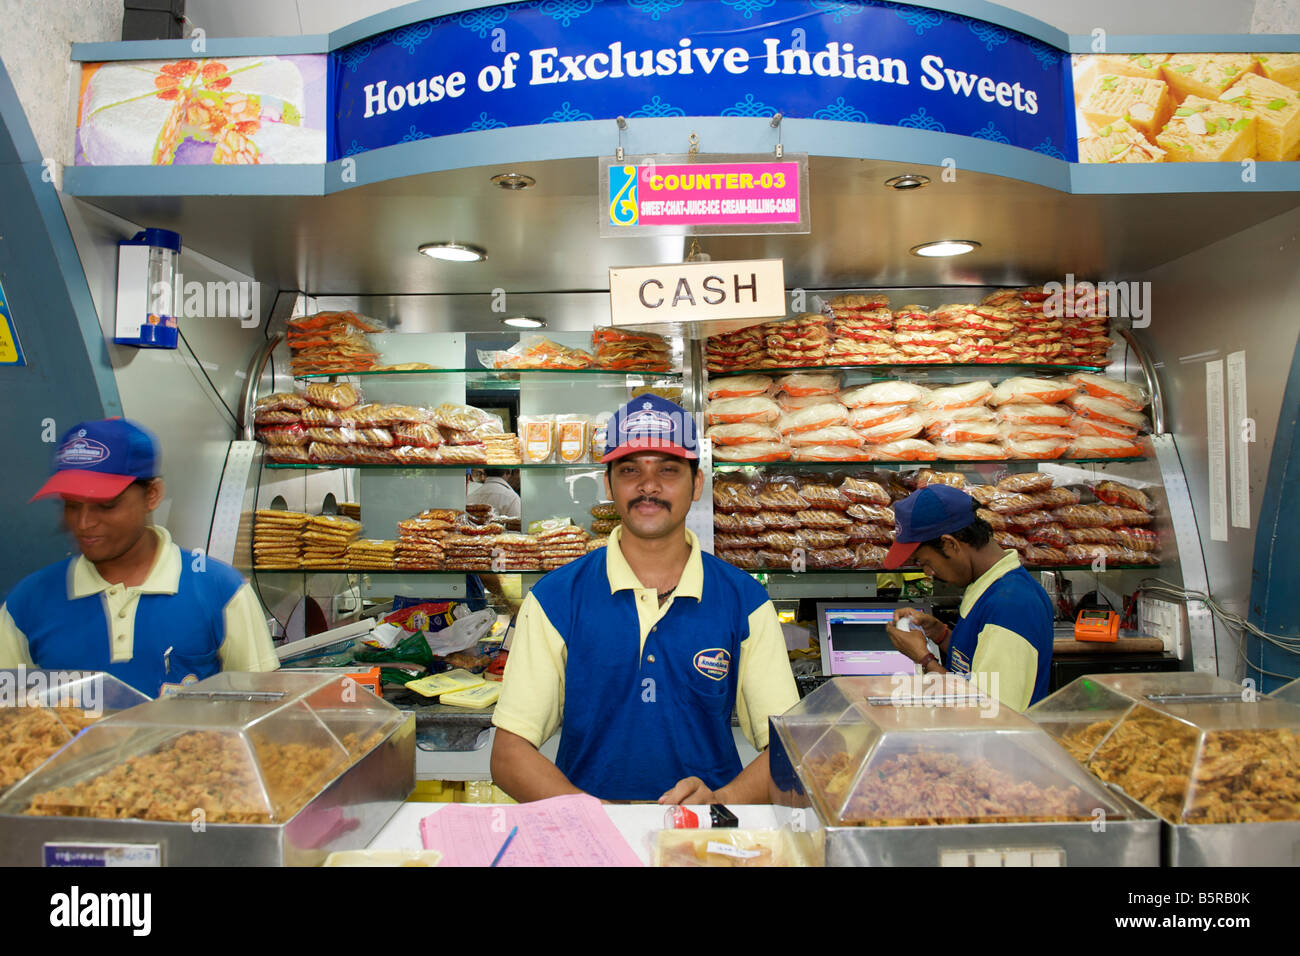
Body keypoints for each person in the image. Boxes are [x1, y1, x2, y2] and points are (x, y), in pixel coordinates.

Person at [490, 395, 798, 803]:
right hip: (589, 841)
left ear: (698, 483)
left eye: (668, 470)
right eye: (630, 469)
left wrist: (720, 803)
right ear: (608, 484)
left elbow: (788, 749)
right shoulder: (556, 598)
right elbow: (509, 755)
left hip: (708, 840)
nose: (648, 486)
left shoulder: (745, 600)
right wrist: (591, 819)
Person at [0, 419, 279, 697]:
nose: (83, 523)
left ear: (152, 495)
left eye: (105, 506)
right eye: (72, 506)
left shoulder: (222, 593)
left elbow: (260, 710)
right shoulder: (25, 606)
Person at [880, 484, 1053, 711]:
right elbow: (979, 663)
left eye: (926, 563)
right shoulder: (992, 587)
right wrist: (941, 635)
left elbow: (988, 713)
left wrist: (924, 658)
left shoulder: (1011, 606)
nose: (928, 573)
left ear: (950, 544)